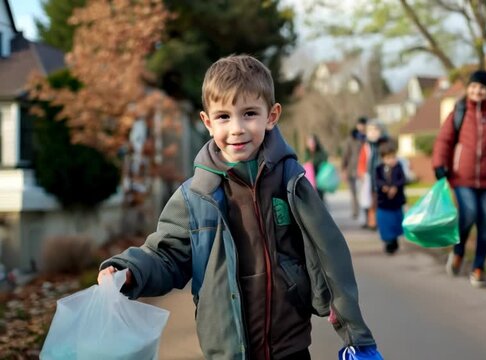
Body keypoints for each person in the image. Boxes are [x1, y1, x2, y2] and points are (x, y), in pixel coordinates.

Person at [97, 55, 380, 360]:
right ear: (207, 122)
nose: (237, 129)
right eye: (223, 117)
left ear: (271, 116)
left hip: (290, 347)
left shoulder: (290, 181)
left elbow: (330, 254)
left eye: (248, 113)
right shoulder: (195, 196)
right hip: (226, 350)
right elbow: (167, 255)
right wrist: (131, 270)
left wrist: (356, 335)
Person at [432, 69, 486, 287]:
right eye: (474, 86)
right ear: (468, 88)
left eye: (482, 87)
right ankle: (459, 252)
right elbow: (444, 140)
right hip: (462, 176)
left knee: (485, 221)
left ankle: (478, 267)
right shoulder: (459, 111)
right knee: (468, 213)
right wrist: (440, 165)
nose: (477, 91)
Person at [374, 140, 406, 255]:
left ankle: (394, 240)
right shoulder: (378, 169)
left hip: (396, 203)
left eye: (393, 157)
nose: (391, 160)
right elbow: (377, 181)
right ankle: (388, 242)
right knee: (385, 224)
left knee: (395, 222)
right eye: (388, 158)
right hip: (384, 202)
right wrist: (384, 187)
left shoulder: (398, 167)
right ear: (383, 158)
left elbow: (402, 179)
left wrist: (395, 187)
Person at [357, 119, 388, 230]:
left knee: (382, 199)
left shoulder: (384, 144)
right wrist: (361, 172)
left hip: (383, 175)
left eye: (376, 129)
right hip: (370, 176)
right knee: (372, 200)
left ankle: (380, 220)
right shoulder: (366, 146)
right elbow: (362, 161)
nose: (373, 132)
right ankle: (372, 222)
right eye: (371, 130)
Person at [342, 116, 367, 219]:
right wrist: (343, 168)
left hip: (363, 169)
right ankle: (355, 211)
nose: (361, 127)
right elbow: (346, 154)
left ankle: (366, 213)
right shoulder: (351, 138)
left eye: (363, 124)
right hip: (351, 170)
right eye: (360, 124)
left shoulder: (367, 138)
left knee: (363, 192)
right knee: (353, 193)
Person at [303, 133, 329, 200]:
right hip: (310, 180)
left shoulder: (320, 152)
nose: (311, 144)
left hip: (320, 179)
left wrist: (313, 162)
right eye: (310, 142)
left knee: (320, 198)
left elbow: (324, 162)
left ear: (316, 143)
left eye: (313, 142)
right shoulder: (306, 153)